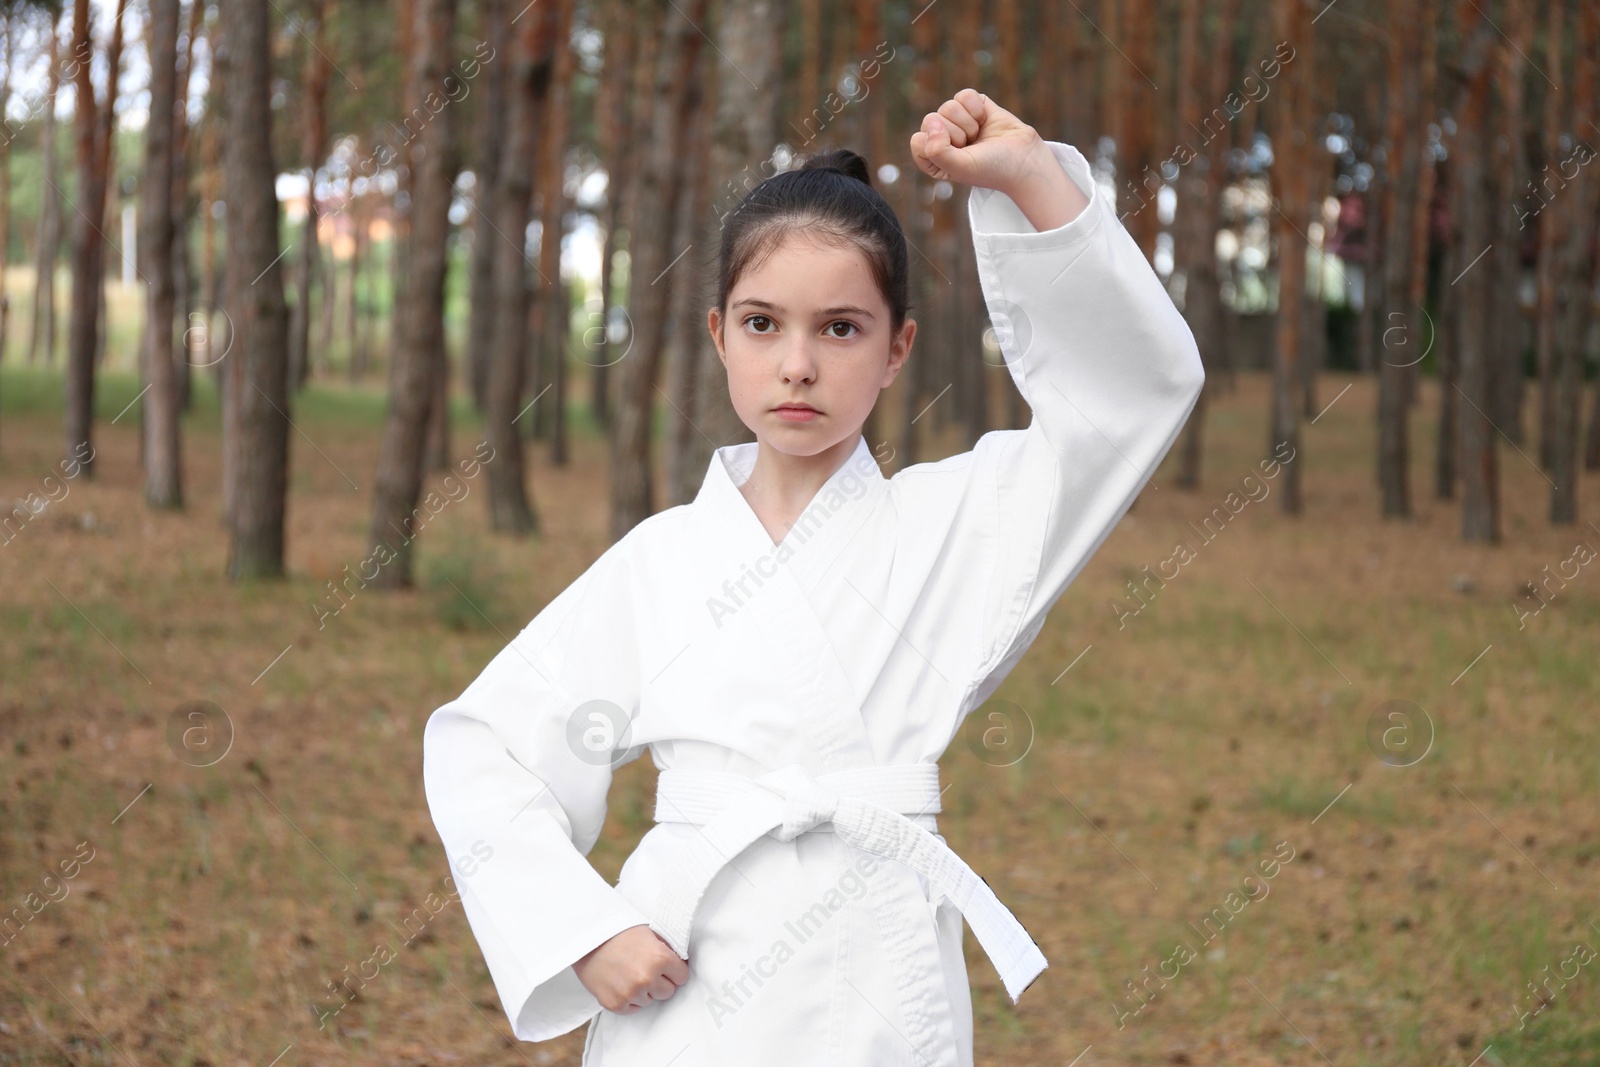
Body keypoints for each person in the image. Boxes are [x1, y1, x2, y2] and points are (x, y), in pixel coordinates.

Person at [422, 88, 1205, 1067]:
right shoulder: (663, 561)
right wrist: (581, 929)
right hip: (686, 978)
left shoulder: (957, 525)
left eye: (840, 328)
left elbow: (1128, 392)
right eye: (762, 324)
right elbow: (485, 745)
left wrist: (1032, 178)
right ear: (718, 335)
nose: (796, 364)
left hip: (875, 974)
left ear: (895, 349)